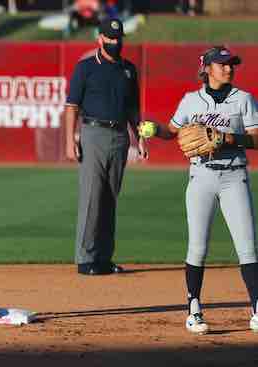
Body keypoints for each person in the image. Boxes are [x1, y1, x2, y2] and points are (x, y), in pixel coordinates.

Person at [142, 46, 258, 334]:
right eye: (222, 64)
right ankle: (193, 309)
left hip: (235, 177)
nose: (228, 68)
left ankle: (257, 307)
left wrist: (226, 138)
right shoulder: (191, 101)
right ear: (206, 68)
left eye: (231, 64)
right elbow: (174, 131)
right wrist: (157, 131)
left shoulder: (243, 100)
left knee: (248, 247)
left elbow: (257, 139)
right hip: (201, 176)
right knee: (198, 246)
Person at [65, 18, 148, 276]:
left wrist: (140, 137)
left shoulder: (129, 70)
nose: (115, 42)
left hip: (120, 135)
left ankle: (103, 258)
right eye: (110, 38)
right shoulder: (86, 68)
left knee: (110, 198)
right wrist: (70, 141)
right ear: (100, 38)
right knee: (92, 197)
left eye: (118, 38)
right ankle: (85, 259)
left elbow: (133, 109)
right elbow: (72, 107)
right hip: (93, 133)